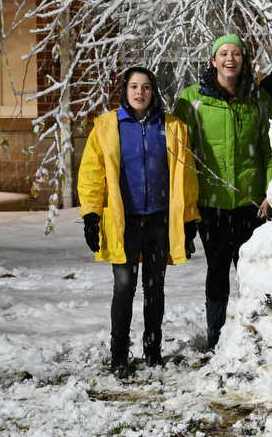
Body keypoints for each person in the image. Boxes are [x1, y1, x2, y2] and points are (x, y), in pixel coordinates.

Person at [78, 66, 200, 379]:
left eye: (146, 87)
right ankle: (119, 354)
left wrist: (189, 218)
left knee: (154, 287)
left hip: (159, 220)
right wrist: (91, 214)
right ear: (125, 90)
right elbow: (92, 174)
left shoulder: (172, 127)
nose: (140, 92)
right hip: (124, 222)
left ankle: (152, 349)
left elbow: (185, 176)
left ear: (153, 91)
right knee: (124, 287)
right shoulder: (107, 126)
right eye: (134, 86)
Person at [173, 34, 272, 351]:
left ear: (244, 60)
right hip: (212, 204)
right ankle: (216, 337)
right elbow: (178, 154)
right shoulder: (191, 100)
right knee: (217, 269)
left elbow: (269, 152)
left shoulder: (258, 99)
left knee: (251, 273)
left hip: (252, 203)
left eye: (236, 53)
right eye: (223, 53)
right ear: (213, 61)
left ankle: (253, 335)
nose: (230, 59)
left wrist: (271, 192)